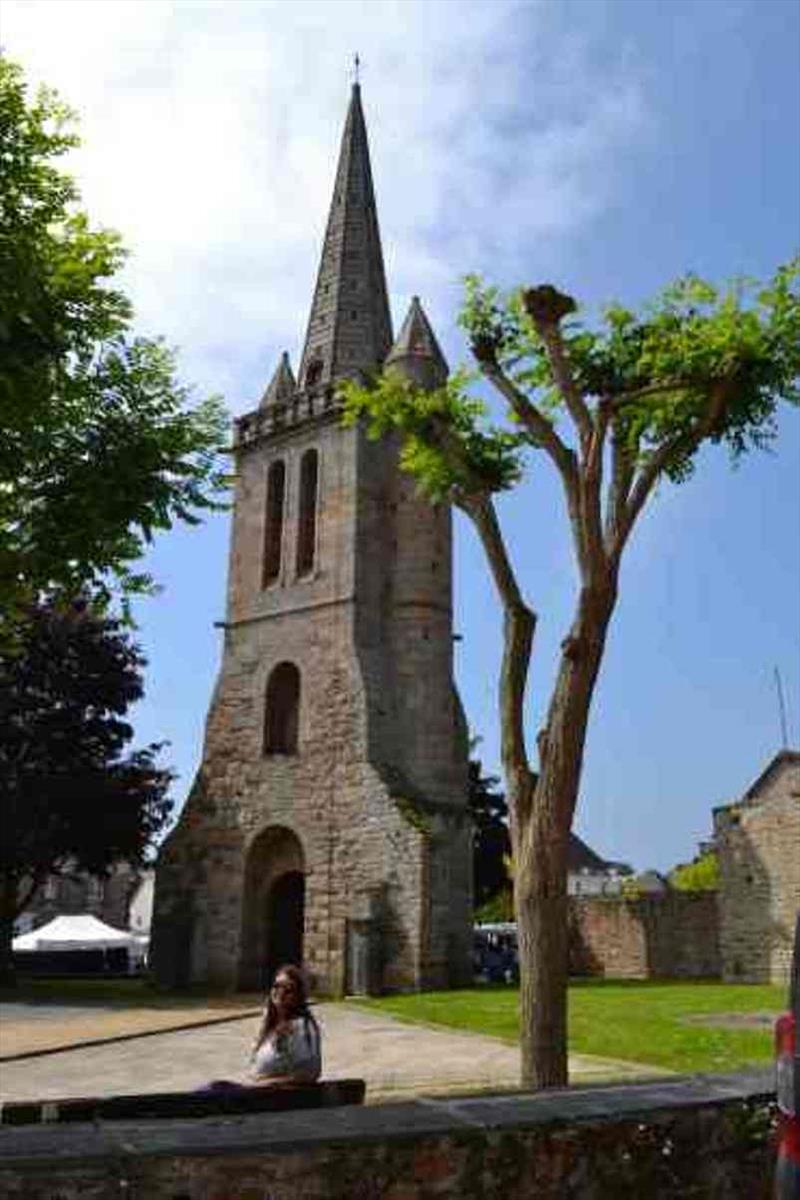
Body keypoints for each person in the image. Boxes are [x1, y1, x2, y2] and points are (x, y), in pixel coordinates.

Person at [249, 963, 321, 1086]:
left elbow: (310, 1074)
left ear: (298, 996)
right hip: (260, 1095)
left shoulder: (300, 1026)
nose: (280, 992)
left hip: (280, 1099)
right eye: (276, 986)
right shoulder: (270, 1023)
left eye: (288, 989)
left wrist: (268, 1084)